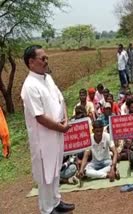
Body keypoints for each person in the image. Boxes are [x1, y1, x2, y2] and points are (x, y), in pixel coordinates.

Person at [21, 45, 74, 214]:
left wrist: (65, 118)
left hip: (57, 132)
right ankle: (46, 209)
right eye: (42, 58)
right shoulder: (30, 86)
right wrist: (61, 127)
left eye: (46, 58)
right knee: (45, 174)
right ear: (31, 62)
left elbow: (60, 98)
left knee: (56, 168)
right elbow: (40, 117)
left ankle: (56, 201)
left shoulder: (47, 78)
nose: (46, 61)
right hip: (43, 137)